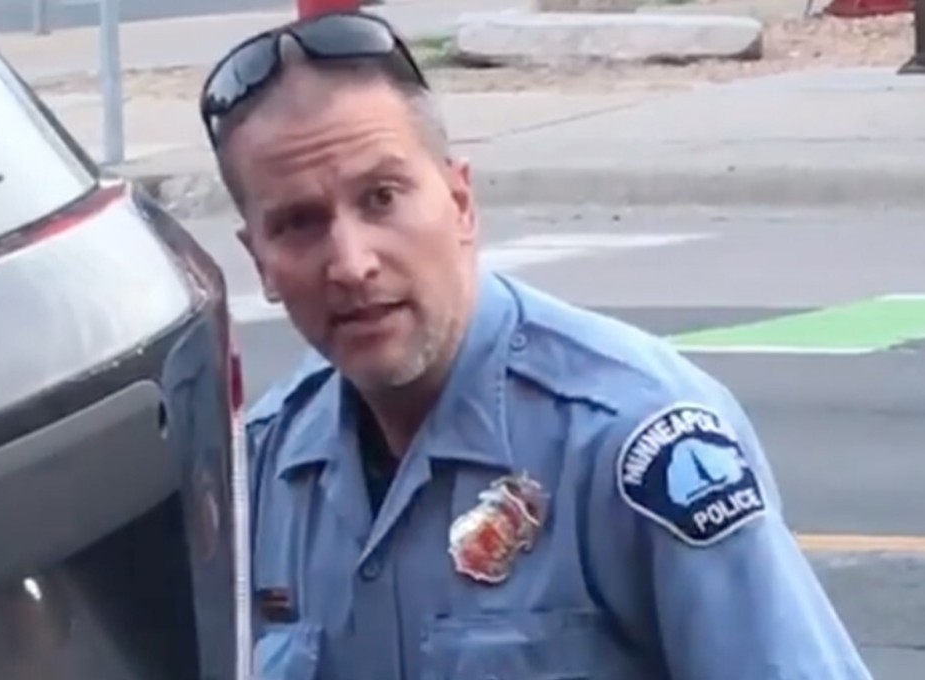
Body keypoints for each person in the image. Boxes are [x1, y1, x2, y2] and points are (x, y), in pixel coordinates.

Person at [200, 11, 874, 679]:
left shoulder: (631, 439)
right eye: (298, 224)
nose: (351, 262)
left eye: (381, 198)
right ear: (259, 261)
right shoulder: (271, 466)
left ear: (461, 203)